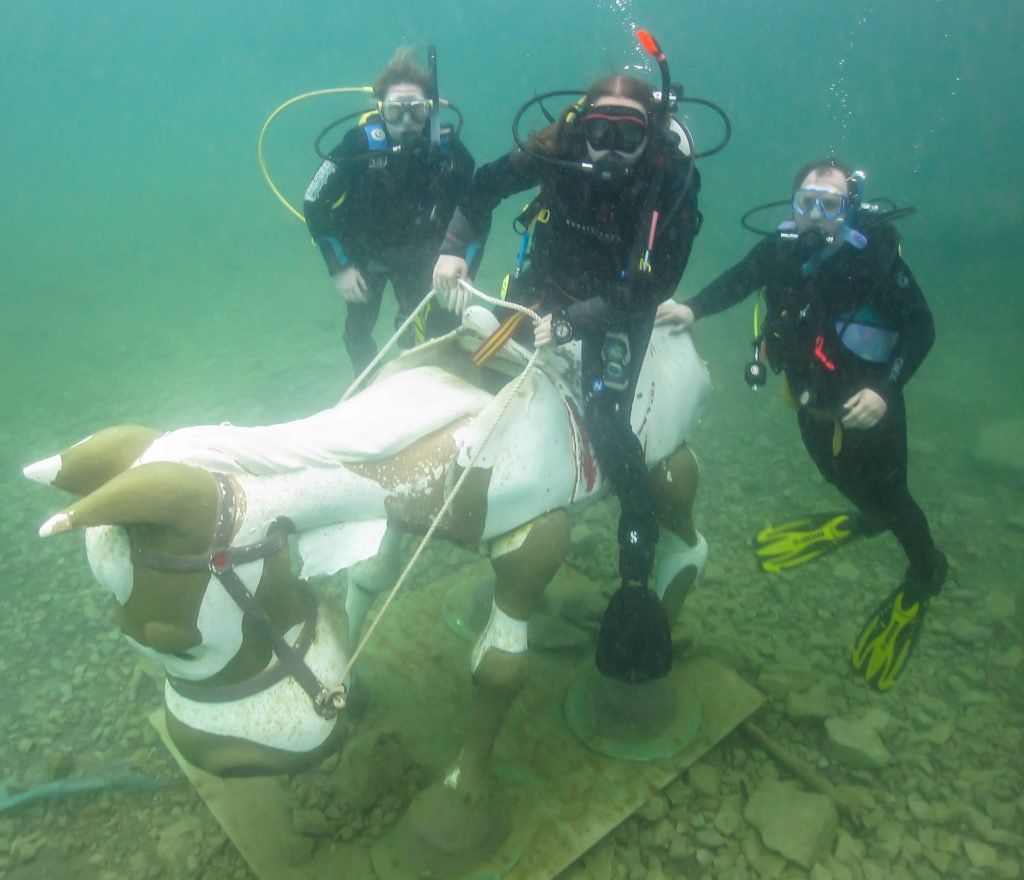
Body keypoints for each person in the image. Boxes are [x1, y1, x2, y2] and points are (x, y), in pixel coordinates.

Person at [433, 74, 702, 683]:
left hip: (617, 310)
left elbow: (651, 287)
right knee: (471, 371)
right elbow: (483, 186)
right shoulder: (557, 149)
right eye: (598, 131)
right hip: (542, 292)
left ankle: (635, 564)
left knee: (609, 422)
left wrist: (579, 322)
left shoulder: (672, 184)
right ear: (582, 125)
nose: (608, 147)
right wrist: (455, 245)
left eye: (626, 134)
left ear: (651, 136)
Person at [656, 158, 947, 690]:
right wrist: (692, 308)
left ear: (850, 208)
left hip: (871, 409)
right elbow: (741, 280)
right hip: (810, 404)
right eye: (806, 203)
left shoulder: (875, 257)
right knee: (835, 475)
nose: (816, 217)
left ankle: (926, 570)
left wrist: (886, 390)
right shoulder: (781, 250)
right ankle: (870, 515)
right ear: (792, 205)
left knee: (893, 493)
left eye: (830, 206)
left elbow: (921, 327)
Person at [304, 48, 480, 374]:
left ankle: (421, 384)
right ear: (380, 109)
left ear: (431, 110)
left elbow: (476, 209)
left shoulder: (451, 155)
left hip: (418, 258)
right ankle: (365, 387)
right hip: (364, 255)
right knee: (358, 330)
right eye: (396, 111)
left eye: (415, 111)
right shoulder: (358, 146)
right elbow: (314, 202)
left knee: (426, 334)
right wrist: (338, 267)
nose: (406, 122)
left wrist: (464, 268)